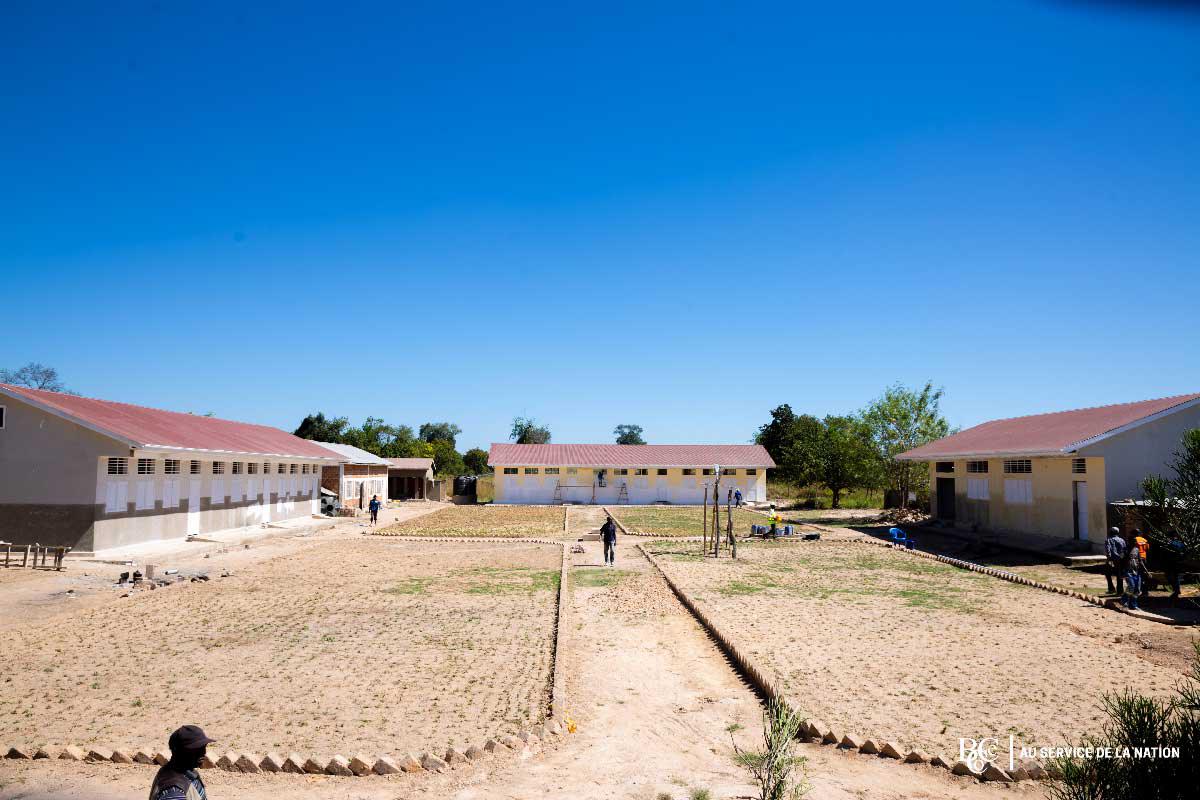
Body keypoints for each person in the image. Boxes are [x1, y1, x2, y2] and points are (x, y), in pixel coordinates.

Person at [149, 724, 215, 800]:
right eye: (197, 749)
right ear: (180, 752)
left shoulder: (187, 772)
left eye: (204, 747)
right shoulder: (174, 791)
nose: (203, 753)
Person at [1123, 535, 1145, 611]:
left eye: (1136, 541)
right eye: (1134, 541)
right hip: (1128, 571)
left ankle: (1133, 605)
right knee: (1131, 586)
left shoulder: (1137, 549)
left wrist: (1146, 571)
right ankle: (1124, 601)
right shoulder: (1125, 550)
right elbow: (1122, 561)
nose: (1135, 542)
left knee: (1137, 589)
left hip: (1136, 571)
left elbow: (1140, 560)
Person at [1104, 527, 1127, 596]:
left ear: (1111, 532)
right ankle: (1120, 591)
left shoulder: (1109, 540)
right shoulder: (1122, 540)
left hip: (1113, 559)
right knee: (1119, 574)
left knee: (1107, 573)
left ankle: (1111, 589)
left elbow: (1108, 549)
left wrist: (1108, 559)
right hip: (1122, 559)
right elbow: (1125, 549)